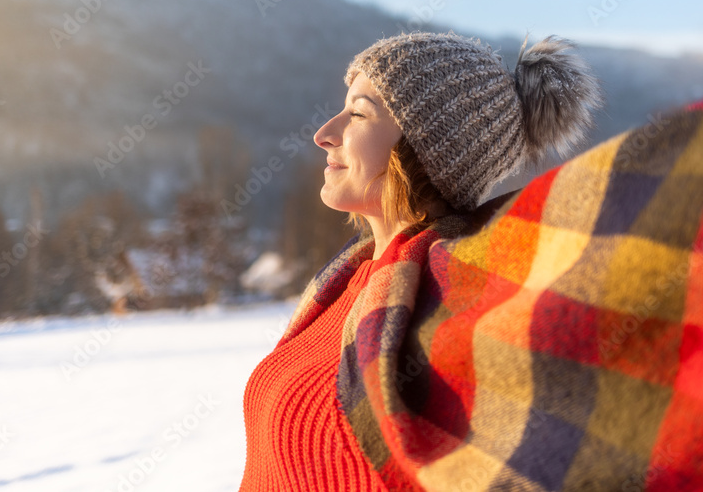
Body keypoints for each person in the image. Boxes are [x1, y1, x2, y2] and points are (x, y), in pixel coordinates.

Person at [238, 31, 602, 490]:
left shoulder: (456, 303)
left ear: (425, 152)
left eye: (358, 114)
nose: (325, 134)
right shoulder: (347, 281)